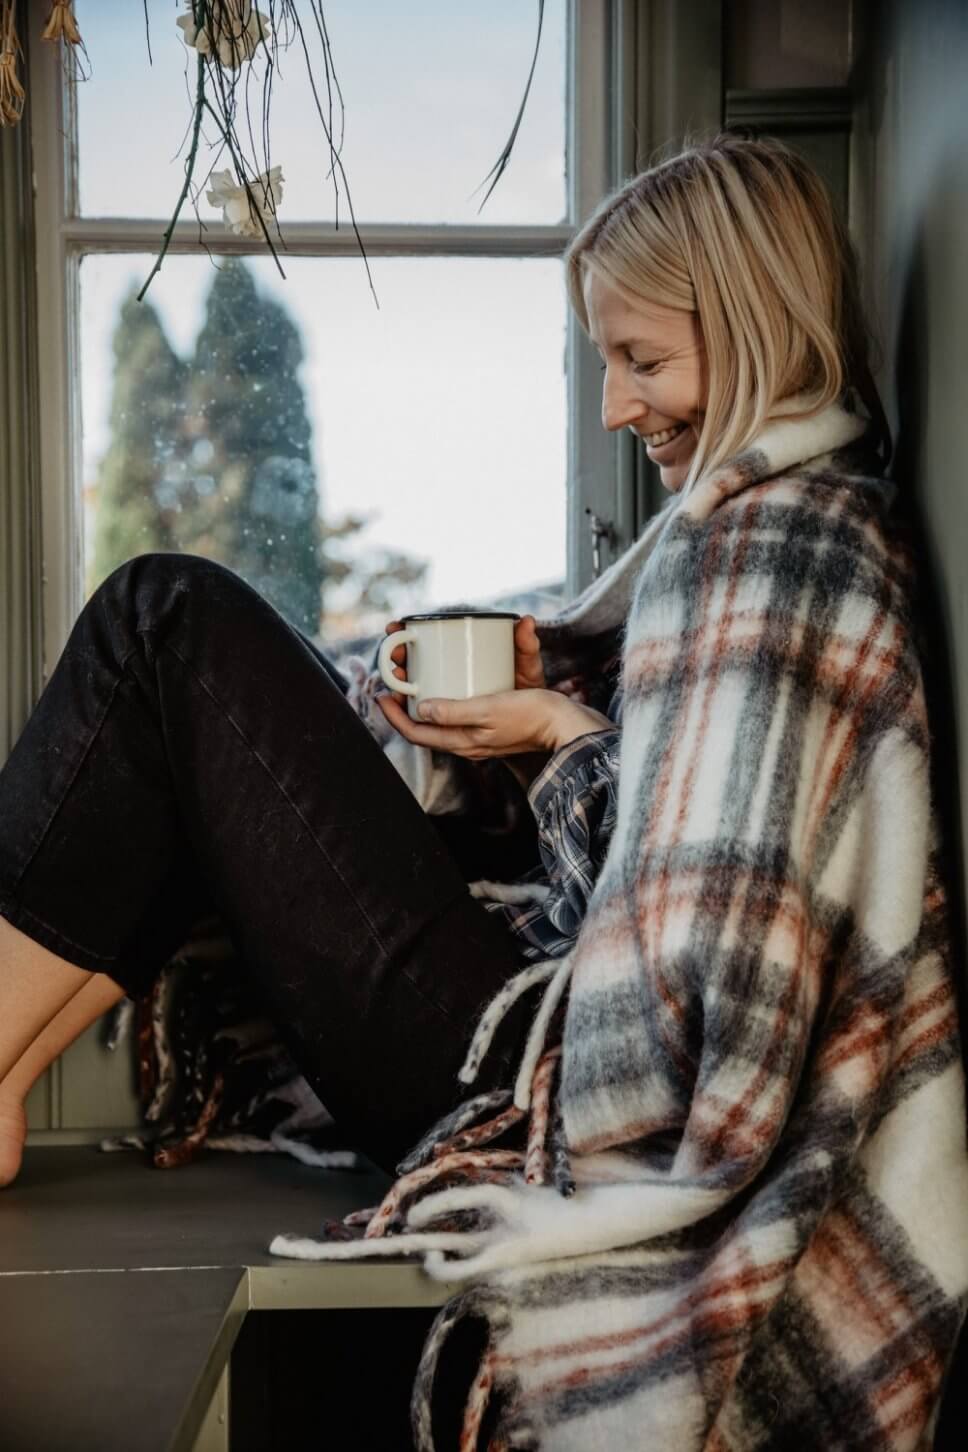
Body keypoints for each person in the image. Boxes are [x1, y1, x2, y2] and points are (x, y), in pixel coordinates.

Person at [2, 128, 967, 1452]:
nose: (620, 410)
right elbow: (687, 846)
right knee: (212, 693)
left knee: (165, 617)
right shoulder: (777, 526)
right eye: (606, 365)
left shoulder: (769, 552)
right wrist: (519, 699)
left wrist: (561, 737)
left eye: (645, 360)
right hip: (529, 1029)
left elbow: (686, 1003)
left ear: (751, 329)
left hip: (535, 1075)